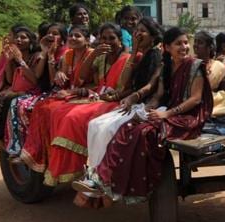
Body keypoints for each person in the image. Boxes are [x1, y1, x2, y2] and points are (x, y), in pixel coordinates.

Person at [76, 27, 213, 204]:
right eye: (178, 43)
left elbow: (195, 99)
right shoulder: (167, 65)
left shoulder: (195, 66)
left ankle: (110, 182)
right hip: (167, 110)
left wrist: (166, 114)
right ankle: (100, 179)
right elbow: (158, 95)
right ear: (167, 47)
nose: (184, 47)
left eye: (186, 43)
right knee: (127, 127)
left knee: (142, 133)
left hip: (189, 116)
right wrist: (145, 109)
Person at [44, 22, 131, 185]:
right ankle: (63, 165)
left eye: (112, 38)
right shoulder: (101, 57)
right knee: (59, 111)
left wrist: (108, 95)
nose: (107, 42)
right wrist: (93, 55)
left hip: (115, 101)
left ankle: (81, 170)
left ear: (120, 40)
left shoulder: (128, 59)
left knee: (72, 117)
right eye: (103, 38)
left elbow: (129, 88)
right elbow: (81, 79)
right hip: (98, 98)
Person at [19, 25, 93, 173]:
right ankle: (40, 154)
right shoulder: (69, 55)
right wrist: (54, 64)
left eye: (77, 36)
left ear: (87, 40)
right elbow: (55, 81)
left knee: (50, 109)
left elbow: (95, 83)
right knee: (41, 107)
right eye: (72, 35)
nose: (73, 38)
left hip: (85, 93)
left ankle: (60, 158)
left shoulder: (91, 55)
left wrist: (72, 90)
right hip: (66, 92)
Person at [5, 22, 68, 156]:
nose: (50, 35)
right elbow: (11, 80)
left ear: (63, 39)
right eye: (49, 33)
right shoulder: (44, 52)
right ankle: (19, 146)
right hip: (48, 90)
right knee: (16, 102)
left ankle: (31, 147)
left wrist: (47, 56)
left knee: (21, 104)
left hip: (59, 92)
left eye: (55, 33)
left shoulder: (65, 54)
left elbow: (42, 80)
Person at [0, 26, 42, 149]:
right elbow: (9, 79)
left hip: (33, 91)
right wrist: (9, 61)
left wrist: (20, 61)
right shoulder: (15, 57)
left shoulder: (37, 56)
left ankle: (3, 138)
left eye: (23, 37)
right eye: (17, 38)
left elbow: (34, 80)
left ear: (31, 41)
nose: (19, 40)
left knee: (8, 99)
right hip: (17, 88)